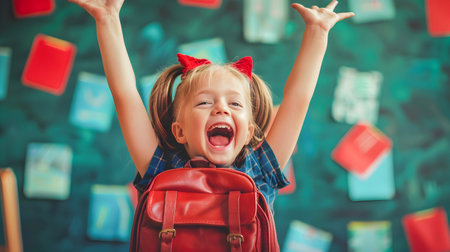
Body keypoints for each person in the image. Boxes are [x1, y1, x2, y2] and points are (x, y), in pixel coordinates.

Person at [69, 0, 354, 212]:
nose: (222, 109)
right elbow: (126, 95)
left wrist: (318, 32)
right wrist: (107, 19)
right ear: (179, 131)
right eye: (205, 102)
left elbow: (297, 100)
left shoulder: (261, 171)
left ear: (250, 130)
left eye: (235, 103)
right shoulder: (162, 170)